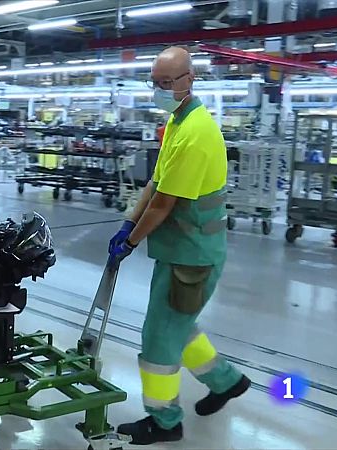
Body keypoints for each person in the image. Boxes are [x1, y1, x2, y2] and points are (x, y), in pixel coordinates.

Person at [107, 46, 251, 445]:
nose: (160, 90)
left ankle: (164, 422)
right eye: (155, 83)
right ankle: (227, 382)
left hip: (193, 256)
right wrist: (126, 224)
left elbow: (166, 204)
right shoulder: (177, 121)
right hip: (180, 250)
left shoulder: (196, 133)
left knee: (158, 336)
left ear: (191, 78)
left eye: (167, 83)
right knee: (179, 327)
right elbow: (156, 183)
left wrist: (131, 241)